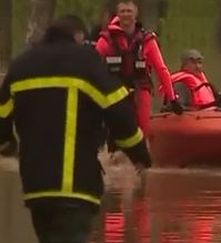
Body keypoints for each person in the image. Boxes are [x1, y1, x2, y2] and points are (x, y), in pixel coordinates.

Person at [0, 15, 151, 243]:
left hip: (36, 188)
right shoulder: (86, 63)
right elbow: (118, 110)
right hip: (76, 187)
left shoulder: (21, 66)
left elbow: (2, 117)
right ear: (78, 37)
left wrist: (8, 145)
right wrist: (139, 153)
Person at [95, 0, 182, 136]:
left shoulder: (147, 40)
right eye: (122, 11)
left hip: (140, 89)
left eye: (129, 11)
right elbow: (92, 66)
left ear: (136, 13)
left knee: (143, 128)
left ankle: (142, 148)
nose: (126, 15)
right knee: (115, 130)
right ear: (117, 14)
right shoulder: (106, 40)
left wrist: (172, 98)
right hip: (115, 91)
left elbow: (161, 70)